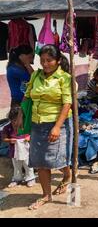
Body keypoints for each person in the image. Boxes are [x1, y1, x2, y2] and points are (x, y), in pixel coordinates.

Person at [19, 45, 73, 210]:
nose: (45, 63)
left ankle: (68, 175)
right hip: (37, 123)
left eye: (49, 60)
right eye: (42, 60)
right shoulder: (35, 75)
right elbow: (27, 96)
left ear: (57, 61)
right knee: (40, 161)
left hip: (58, 123)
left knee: (58, 158)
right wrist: (21, 115)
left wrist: (57, 126)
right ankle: (46, 195)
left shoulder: (64, 78)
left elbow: (67, 103)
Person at [1, 107, 35, 188]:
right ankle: (17, 179)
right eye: (13, 121)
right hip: (14, 151)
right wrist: (9, 140)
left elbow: (33, 134)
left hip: (26, 150)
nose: (16, 123)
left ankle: (30, 178)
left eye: (17, 120)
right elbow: (4, 138)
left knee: (27, 164)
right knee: (17, 165)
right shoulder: (7, 128)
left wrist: (29, 137)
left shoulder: (26, 126)